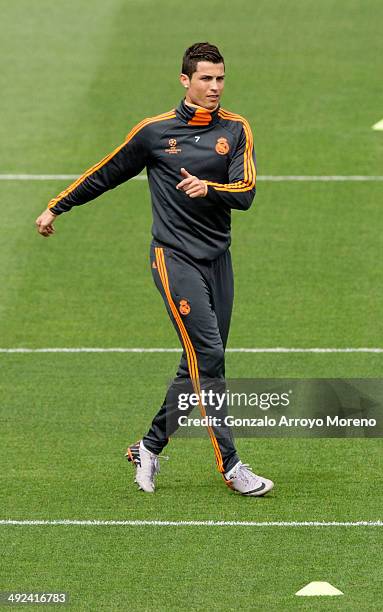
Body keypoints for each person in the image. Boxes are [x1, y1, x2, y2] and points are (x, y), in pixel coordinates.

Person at [35, 42, 274, 496]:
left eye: (220, 78)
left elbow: (245, 193)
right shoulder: (154, 133)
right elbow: (105, 172)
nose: (215, 87)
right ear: (185, 81)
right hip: (173, 259)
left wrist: (210, 189)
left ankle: (148, 447)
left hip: (218, 260)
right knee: (211, 359)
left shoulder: (237, 129)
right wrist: (56, 207)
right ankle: (231, 467)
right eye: (206, 78)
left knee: (197, 364)